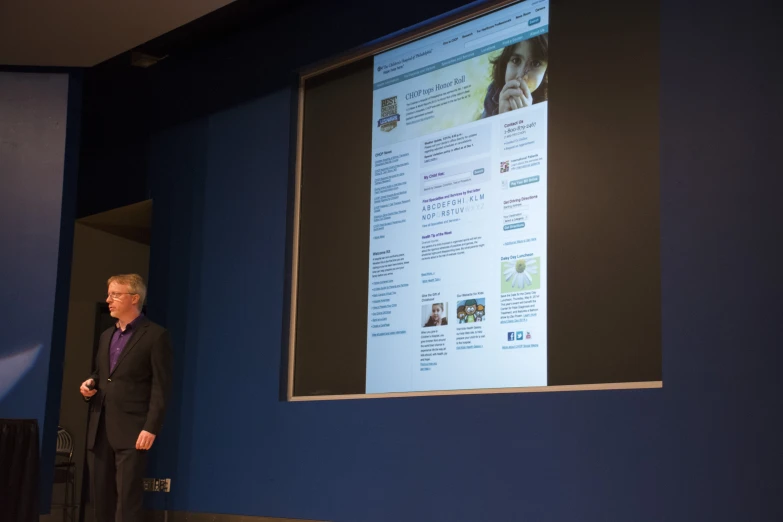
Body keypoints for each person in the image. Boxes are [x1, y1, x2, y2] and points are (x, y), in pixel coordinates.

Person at [80, 274, 172, 522]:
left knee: (127, 501)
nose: (108, 300)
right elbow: (102, 375)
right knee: (100, 500)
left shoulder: (155, 335)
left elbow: (161, 387)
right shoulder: (106, 336)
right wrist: (90, 384)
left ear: (134, 298)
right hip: (100, 429)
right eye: (109, 294)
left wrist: (150, 427)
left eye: (115, 294)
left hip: (132, 431)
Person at [480, 34, 549, 118]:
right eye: (516, 60)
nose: (520, 76)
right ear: (505, 63)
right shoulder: (494, 91)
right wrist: (501, 117)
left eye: (535, 63)